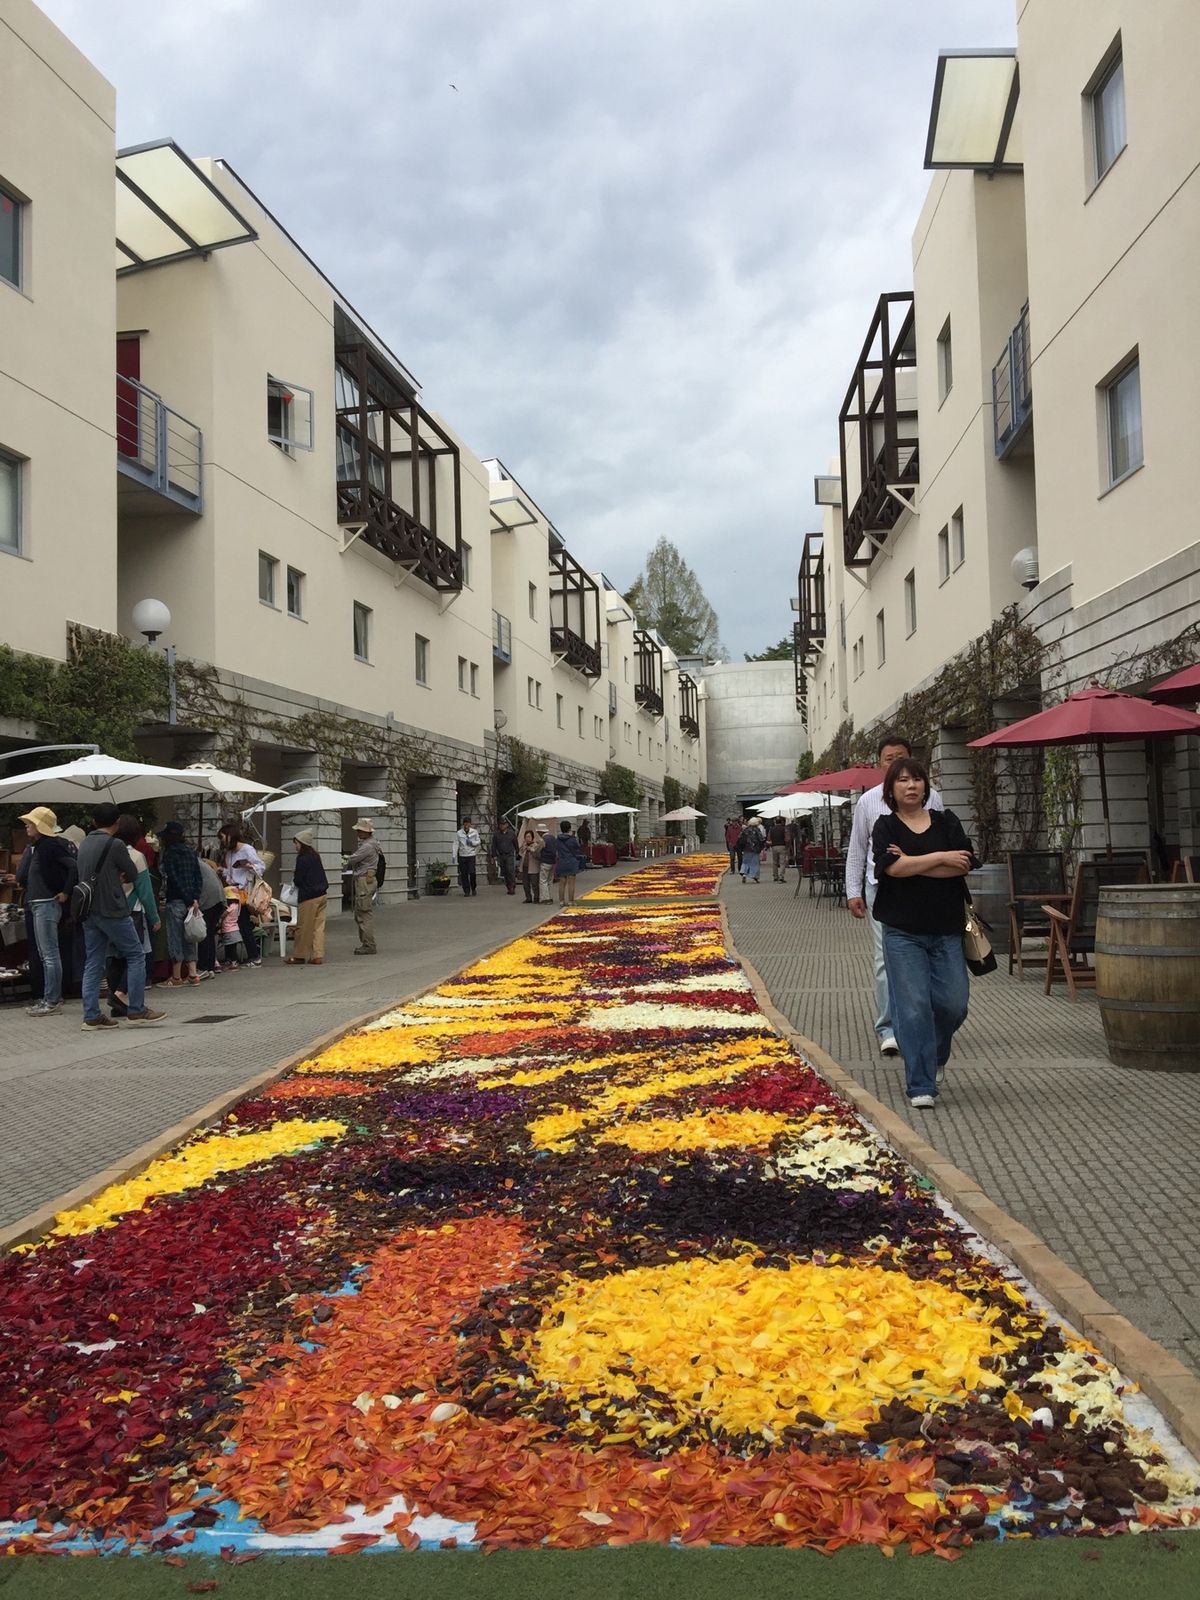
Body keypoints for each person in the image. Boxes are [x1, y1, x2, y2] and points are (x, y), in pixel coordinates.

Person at [871, 757, 977, 1109]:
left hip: (946, 929)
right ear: (891, 789)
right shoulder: (885, 827)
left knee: (953, 1005)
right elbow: (892, 870)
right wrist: (939, 858)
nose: (911, 785)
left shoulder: (947, 821)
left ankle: (936, 1054)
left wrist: (915, 862)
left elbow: (963, 865)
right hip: (902, 931)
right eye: (902, 780)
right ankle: (921, 1085)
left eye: (917, 779)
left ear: (925, 786)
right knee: (914, 1007)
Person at [845, 731, 944, 1059]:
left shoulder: (933, 798)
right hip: (883, 890)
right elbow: (858, 849)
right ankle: (888, 1027)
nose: (897, 764)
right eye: (890, 760)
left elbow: (945, 844)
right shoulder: (869, 801)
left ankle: (921, 1020)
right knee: (886, 958)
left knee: (929, 955)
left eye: (902, 758)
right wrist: (853, 891)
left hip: (928, 888)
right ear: (880, 764)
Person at [78, 803, 165, 1030]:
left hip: (89, 910)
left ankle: (92, 1015)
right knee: (136, 955)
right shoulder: (115, 844)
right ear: (116, 823)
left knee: (93, 962)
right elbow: (133, 872)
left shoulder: (84, 843)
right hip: (113, 909)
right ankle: (136, 1009)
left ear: (94, 822)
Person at [7, 807, 78, 1017]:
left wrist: (65, 892)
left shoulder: (50, 846)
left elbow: (74, 867)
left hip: (46, 903)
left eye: (31, 823)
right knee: (46, 953)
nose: (27, 826)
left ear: (40, 826)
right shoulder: (39, 846)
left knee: (49, 954)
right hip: (40, 903)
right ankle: (49, 998)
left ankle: (52, 999)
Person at [107, 814, 161, 1016]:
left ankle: (115, 1001)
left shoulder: (107, 852)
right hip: (132, 910)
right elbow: (145, 890)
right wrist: (155, 918)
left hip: (109, 910)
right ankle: (121, 994)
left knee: (115, 957)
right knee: (135, 955)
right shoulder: (136, 856)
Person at [216, 821, 267, 969]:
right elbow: (231, 872)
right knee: (232, 924)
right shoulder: (229, 853)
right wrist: (222, 871)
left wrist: (247, 865)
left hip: (243, 892)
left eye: (223, 837)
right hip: (232, 891)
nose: (222, 841)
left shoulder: (247, 850)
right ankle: (237, 956)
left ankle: (252, 956)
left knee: (241, 924)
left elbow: (261, 867)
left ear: (230, 836)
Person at [159, 819, 203, 985]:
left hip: (176, 899)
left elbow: (173, 878)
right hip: (192, 901)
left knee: (175, 937)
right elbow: (198, 877)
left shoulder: (169, 853)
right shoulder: (191, 852)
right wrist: (195, 898)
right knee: (189, 936)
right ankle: (193, 974)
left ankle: (176, 976)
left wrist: (186, 897)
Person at [287, 829, 329, 964]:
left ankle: (300, 955)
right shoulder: (315, 856)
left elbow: (299, 880)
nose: (295, 846)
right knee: (318, 927)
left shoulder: (302, 859)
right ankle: (317, 955)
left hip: (309, 896)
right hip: (322, 894)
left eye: (296, 843)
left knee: (303, 927)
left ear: (302, 844)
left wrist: (295, 873)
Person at [344, 818, 380, 953]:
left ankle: (369, 945)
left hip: (364, 881)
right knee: (362, 912)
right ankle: (366, 943)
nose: (357, 833)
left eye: (360, 830)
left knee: (363, 913)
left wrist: (345, 859)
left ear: (366, 832)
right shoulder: (372, 844)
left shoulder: (367, 846)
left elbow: (353, 859)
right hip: (367, 879)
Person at [196, 856, 226, 977]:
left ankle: (203, 967)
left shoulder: (191, 863)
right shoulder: (201, 862)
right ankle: (210, 967)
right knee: (210, 933)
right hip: (219, 898)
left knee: (204, 933)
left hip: (208, 899)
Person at [554, 820, 588, 904]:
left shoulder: (557, 839)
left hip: (561, 862)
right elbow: (578, 848)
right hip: (571, 861)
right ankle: (571, 901)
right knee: (571, 882)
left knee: (562, 882)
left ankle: (561, 901)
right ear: (569, 828)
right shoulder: (572, 839)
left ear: (561, 829)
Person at [453, 816, 481, 896]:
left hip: (471, 855)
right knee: (464, 874)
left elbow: (478, 841)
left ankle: (473, 887)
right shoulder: (459, 833)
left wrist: (472, 843)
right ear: (463, 824)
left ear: (470, 824)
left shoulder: (474, 832)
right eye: (465, 823)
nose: (467, 825)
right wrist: (454, 855)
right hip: (462, 855)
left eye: (468, 823)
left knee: (472, 872)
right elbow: (456, 844)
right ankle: (466, 890)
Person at [490, 817, 518, 895]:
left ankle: (512, 886)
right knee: (504, 871)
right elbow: (494, 846)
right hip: (501, 855)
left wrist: (518, 852)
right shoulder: (496, 835)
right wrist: (494, 855)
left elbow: (516, 843)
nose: (502, 826)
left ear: (507, 825)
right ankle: (508, 886)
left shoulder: (511, 833)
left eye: (503, 824)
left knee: (510, 870)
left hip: (509, 854)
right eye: (501, 824)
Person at [738, 817, 766, 883]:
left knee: (745, 862)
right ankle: (754, 877)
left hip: (746, 849)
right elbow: (761, 839)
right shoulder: (757, 830)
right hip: (755, 849)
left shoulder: (745, 829)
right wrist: (762, 847)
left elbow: (740, 838)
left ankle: (744, 873)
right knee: (755, 863)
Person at [519, 828, 542, 903]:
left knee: (535, 884)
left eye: (529, 837)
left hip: (533, 868)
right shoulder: (524, 845)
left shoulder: (535, 845)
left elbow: (538, 856)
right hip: (524, 867)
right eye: (526, 837)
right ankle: (528, 898)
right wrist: (523, 848)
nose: (527, 838)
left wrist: (531, 850)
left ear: (532, 837)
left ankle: (536, 898)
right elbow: (520, 854)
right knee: (525, 884)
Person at [536, 824, 557, 902]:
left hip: (545, 861)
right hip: (552, 861)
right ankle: (550, 896)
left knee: (543, 880)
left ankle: (545, 898)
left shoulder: (543, 839)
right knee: (550, 880)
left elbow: (538, 850)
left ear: (540, 832)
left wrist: (533, 851)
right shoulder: (553, 838)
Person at [767, 817, 788, 882]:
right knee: (782, 862)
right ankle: (781, 876)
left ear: (775, 822)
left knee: (775, 862)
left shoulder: (771, 829)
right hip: (782, 846)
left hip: (774, 846)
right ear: (781, 822)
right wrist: (787, 845)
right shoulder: (784, 829)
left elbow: (769, 838)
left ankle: (775, 876)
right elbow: (787, 838)